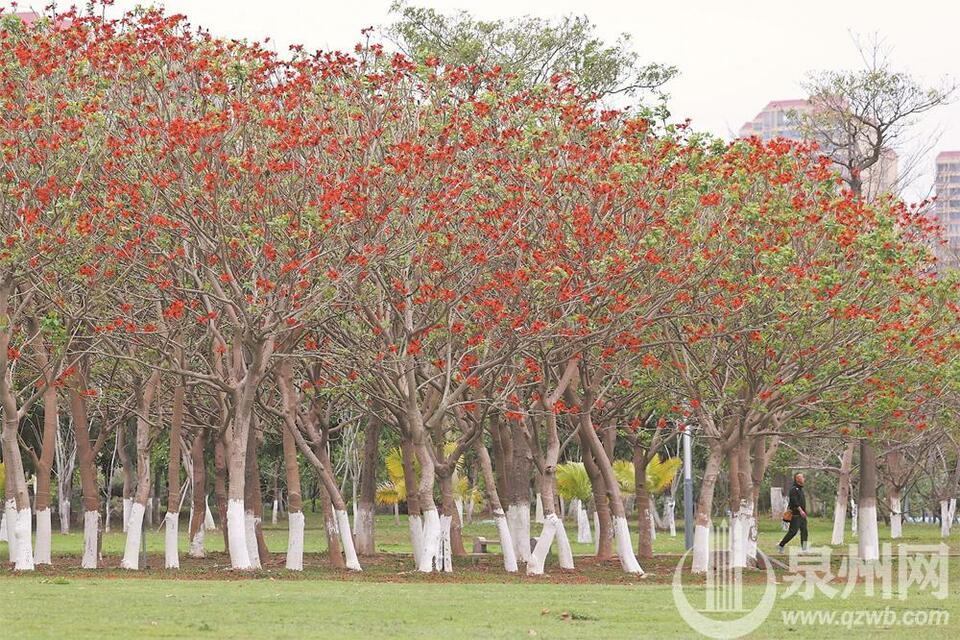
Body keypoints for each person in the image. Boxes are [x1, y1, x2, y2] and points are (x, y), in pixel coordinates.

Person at [778, 473, 808, 552]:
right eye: (802, 477)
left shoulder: (800, 489)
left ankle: (804, 549)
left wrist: (804, 512)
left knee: (804, 531)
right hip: (796, 515)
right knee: (793, 532)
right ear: (797, 479)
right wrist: (801, 511)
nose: (804, 479)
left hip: (802, 515)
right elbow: (794, 502)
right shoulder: (793, 489)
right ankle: (781, 545)